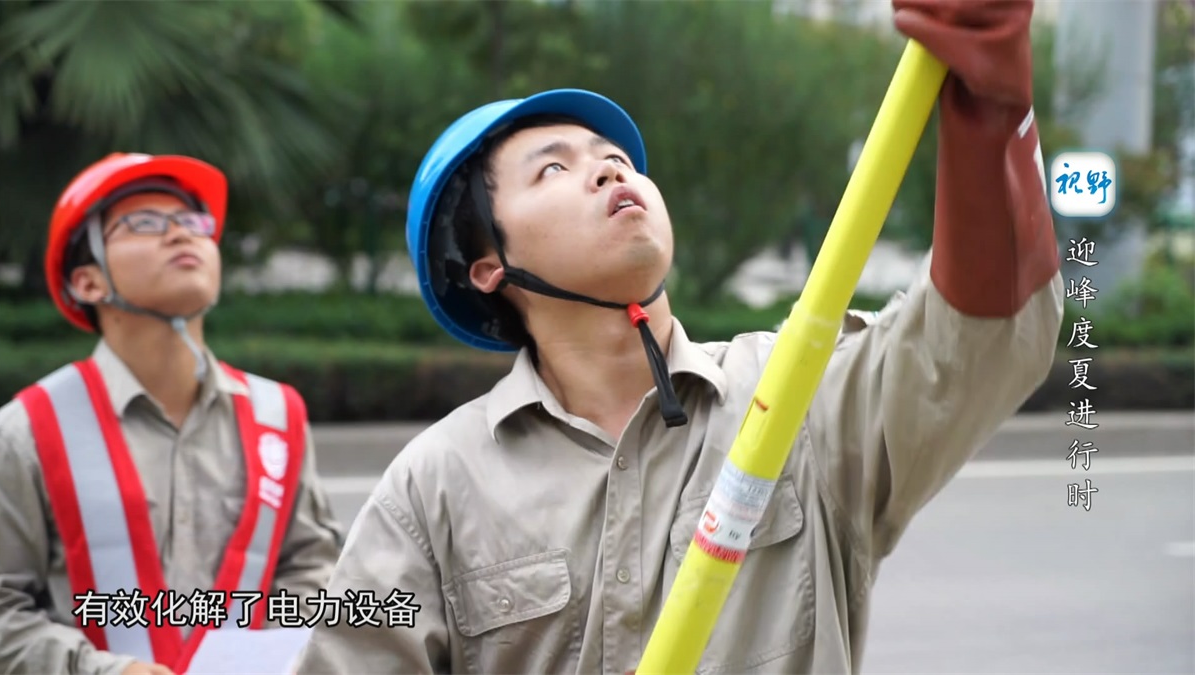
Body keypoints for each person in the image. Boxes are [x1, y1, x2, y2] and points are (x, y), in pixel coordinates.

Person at [295, 0, 1064, 672]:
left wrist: (991, 117)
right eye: (553, 169)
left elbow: (980, 339)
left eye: (617, 159)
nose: (607, 173)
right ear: (489, 267)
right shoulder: (434, 486)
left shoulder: (796, 396)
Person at [0, 153, 344, 675]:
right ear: (88, 283)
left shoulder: (279, 417)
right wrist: (107, 671)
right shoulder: (26, 431)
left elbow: (310, 574)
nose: (181, 234)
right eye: (144, 223)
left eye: (193, 222)